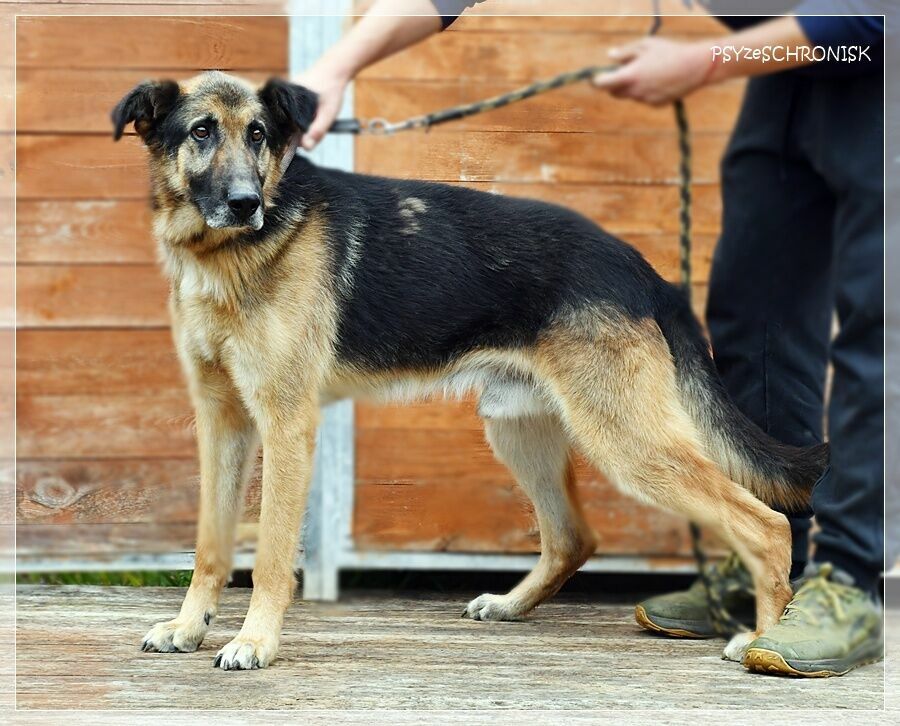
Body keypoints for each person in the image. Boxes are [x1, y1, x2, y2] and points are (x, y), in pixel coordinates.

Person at [296, 0, 885, 676]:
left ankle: (846, 580)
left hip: (876, 66)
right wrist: (335, 66)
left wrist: (702, 60)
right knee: (755, 316)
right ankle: (766, 560)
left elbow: (868, 18)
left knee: (877, 325)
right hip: (785, 64)